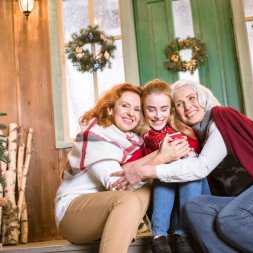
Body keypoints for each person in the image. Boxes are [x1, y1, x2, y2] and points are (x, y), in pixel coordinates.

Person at [111, 79, 253, 253]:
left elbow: (199, 168)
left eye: (191, 99)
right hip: (240, 199)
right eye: (180, 104)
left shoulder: (221, 118)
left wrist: (145, 171)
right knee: (194, 208)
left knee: (230, 218)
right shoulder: (195, 138)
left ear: (202, 98)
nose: (188, 107)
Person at [55, 83, 190, 253]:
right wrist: (161, 157)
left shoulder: (131, 140)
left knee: (152, 182)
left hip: (108, 210)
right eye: (124, 106)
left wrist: (164, 154)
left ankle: (153, 229)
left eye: (136, 109)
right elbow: (116, 183)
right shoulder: (97, 135)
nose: (130, 113)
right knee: (128, 198)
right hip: (73, 214)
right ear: (110, 109)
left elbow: (131, 171)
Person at [140, 79, 203, 253]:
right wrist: (164, 157)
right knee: (163, 171)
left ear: (171, 110)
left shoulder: (183, 131)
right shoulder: (143, 139)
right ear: (143, 110)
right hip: (165, 211)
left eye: (164, 109)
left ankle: (182, 234)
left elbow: (198, 159)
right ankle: (159, 237)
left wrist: (185, 155)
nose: (158, 115)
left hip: (190, 205)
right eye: (151, 109)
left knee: (187, 167)